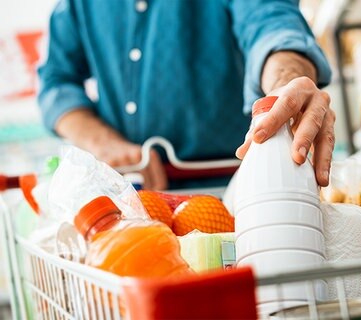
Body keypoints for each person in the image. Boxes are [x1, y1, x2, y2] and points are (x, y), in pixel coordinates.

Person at [38, 0, 335, 190]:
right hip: (132, 199)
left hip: (240, 190)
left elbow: (271, 24)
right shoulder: (77, 6)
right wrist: (103, 142)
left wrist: (286, 84)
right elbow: (56, 82)